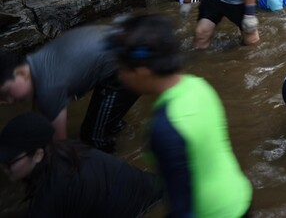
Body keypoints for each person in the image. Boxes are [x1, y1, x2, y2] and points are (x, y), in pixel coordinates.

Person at [108, 14, 253, 217]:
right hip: (239, 195)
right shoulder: (198, 85)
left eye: (122, 68)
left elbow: (183, 206)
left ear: (141, 71)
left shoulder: (165, 127)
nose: (120, 75)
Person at [0, 26, 138, 153]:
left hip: (131, 67)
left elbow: (60, 144)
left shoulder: (48, 88)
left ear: (20, 73)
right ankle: (117, 128)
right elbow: (39, 117)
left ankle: (120, 158)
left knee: (92, 139)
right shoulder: (34, 62)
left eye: (6, 93)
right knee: (104, 120)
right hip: (124, 49)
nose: (9, 100)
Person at [0, 112, 163, 217]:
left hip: (143, 207)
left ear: (38, 155)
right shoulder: (65, 148)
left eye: (9, 162)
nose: (4, 167)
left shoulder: (49, 194)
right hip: (155, 186)